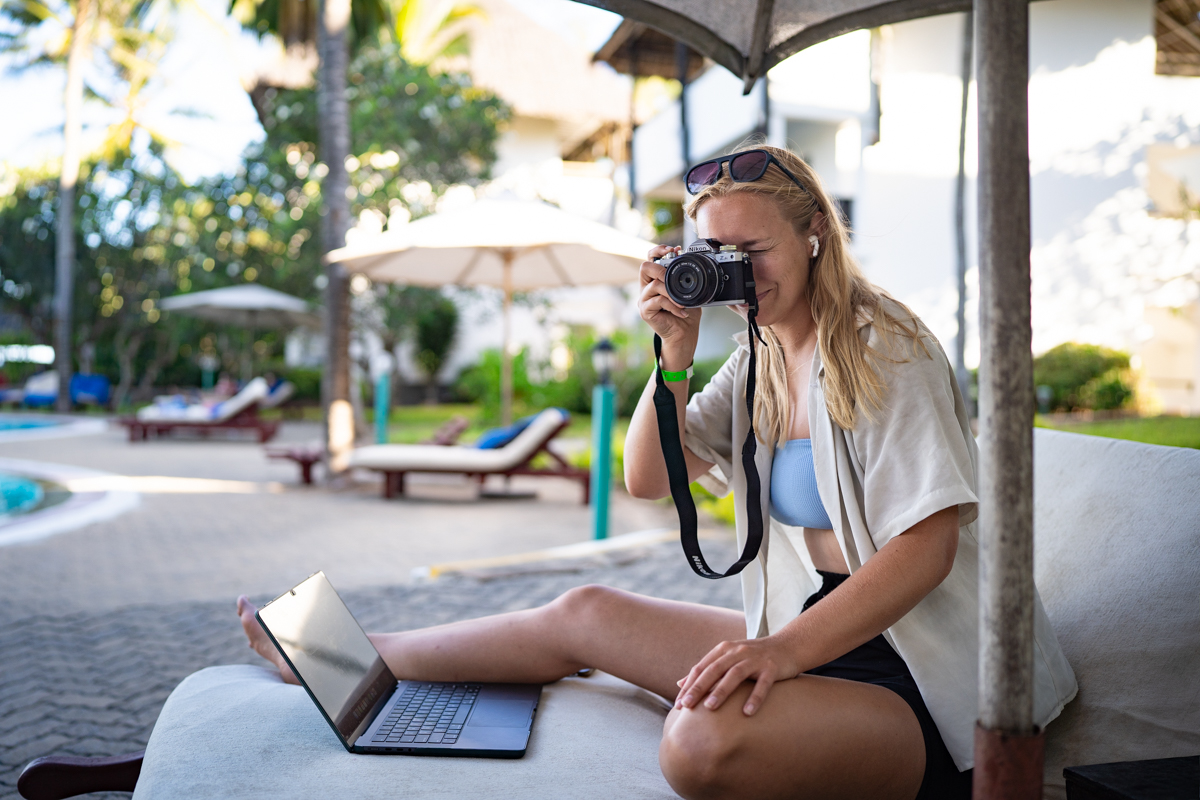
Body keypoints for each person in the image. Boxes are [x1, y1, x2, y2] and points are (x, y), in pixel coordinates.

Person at [238, 144, 1076, 800]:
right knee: (585, 609)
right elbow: (647, 476)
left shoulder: (882, 346)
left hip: (921, 680)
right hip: (809, 630)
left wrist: (780, 654)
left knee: (698, 745)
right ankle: (356, 658)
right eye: (718, 254)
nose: (738, 274)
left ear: (815, 230)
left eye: (754, 250)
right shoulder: (759, 355)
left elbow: (924, 552)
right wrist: (673, 356)